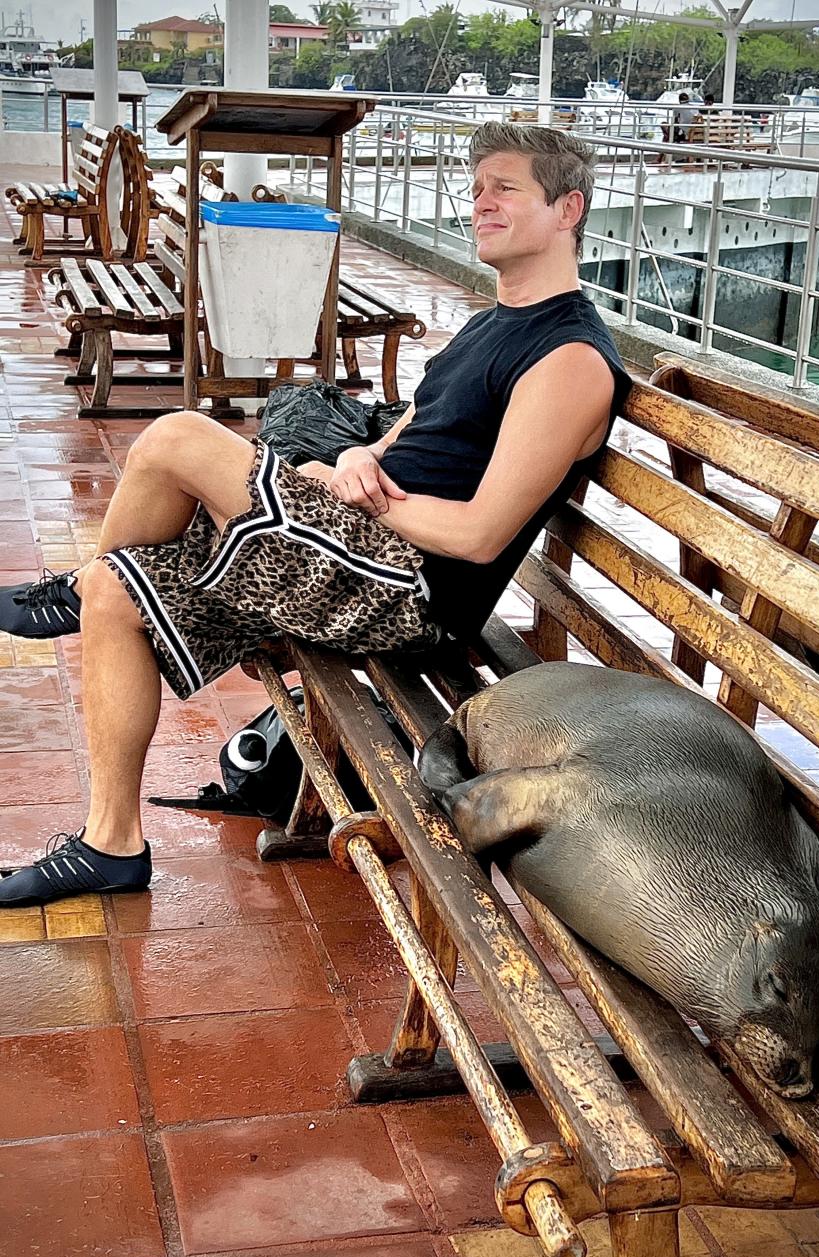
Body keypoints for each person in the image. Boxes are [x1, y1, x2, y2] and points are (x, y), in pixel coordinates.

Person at [0, 121, 632, 908]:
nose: (481, 205)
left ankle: (76, 575)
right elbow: (408, 435)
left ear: (568, 208)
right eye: (475, 190)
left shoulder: (569, 360)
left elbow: (480, 535)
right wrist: (349, 464)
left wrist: (359, 497)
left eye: (505, 188)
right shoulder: (489, 324)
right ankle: (112, 845)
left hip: (408, 591)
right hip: (353, 548)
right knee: (114, 597)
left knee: (175, 439)